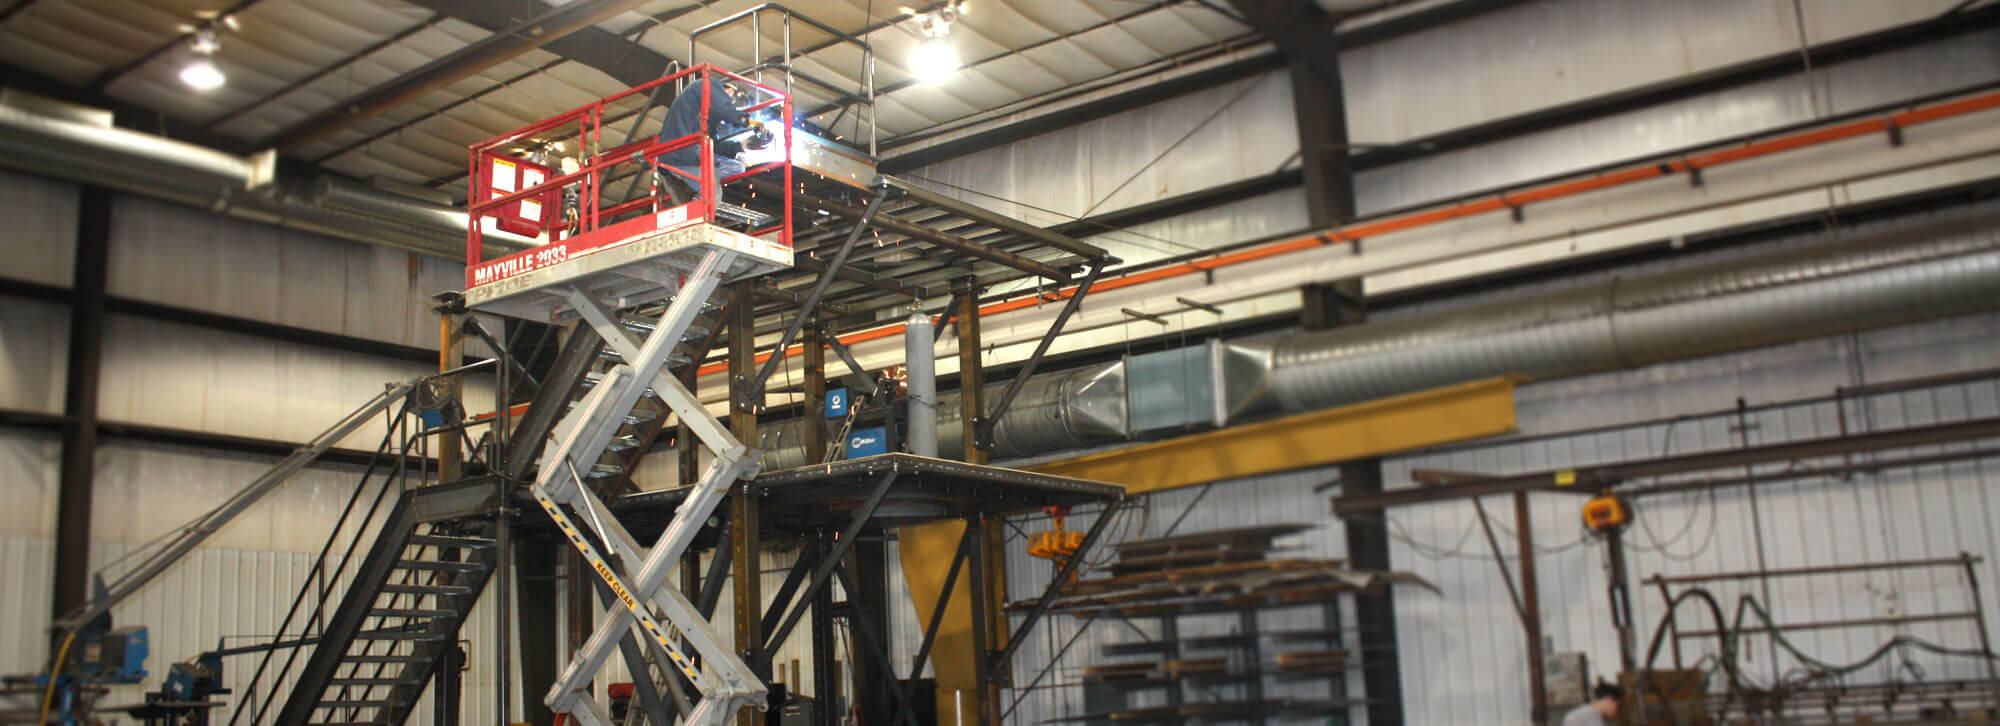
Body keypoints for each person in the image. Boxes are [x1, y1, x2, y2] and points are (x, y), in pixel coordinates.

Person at [656, 76, 751, 201]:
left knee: (736, 168)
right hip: (679, 154)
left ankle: (694, 182)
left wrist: (742, 146)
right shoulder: (706, 84)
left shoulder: (709, 115)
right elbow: (724, 108)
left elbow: (712, 144)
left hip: (693, 153)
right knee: (713, 193)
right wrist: (744, 120)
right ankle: (697, 195)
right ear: (728, 90)